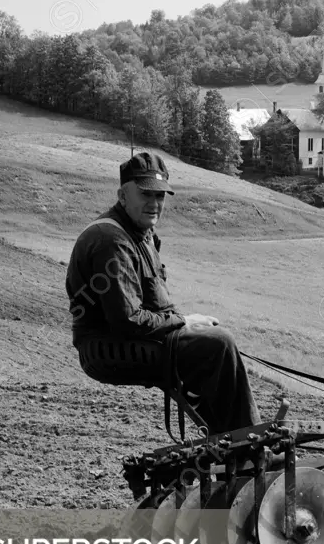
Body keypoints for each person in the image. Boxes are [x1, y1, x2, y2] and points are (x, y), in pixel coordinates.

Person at [66, 150, 260, 433]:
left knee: (212, 339)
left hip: (131, 340)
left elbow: (155, 304)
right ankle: (246, 444)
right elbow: (128, 321)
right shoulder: (111, 240)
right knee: (218, 343)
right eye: (146, 194)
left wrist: (189, 323)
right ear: (122, 196)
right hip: (108, 348)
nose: (154, 203)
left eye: (160, 196)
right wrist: (183, 323)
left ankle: (228, 439)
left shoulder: (142, 235)